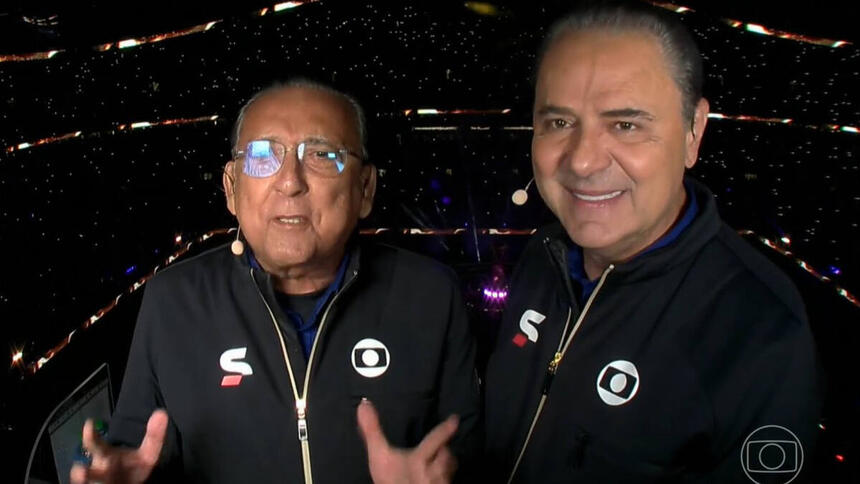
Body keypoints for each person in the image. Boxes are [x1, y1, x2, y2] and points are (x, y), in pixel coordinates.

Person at [71, 79, 480, 484]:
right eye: (263, 156)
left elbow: (468, 453)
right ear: (232, 188)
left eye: (322, 154)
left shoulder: (430, 296)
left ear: (365, 188)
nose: (290, 181)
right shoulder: (173, 301)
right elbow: (135, 453)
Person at [484, 2, 821, 482]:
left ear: (693, 132)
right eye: (559, 123)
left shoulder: (759, 331)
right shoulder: (543, 254)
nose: (581, 161)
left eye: (625, 125)